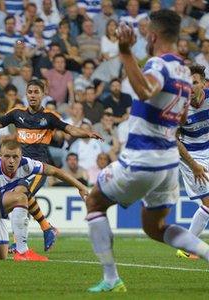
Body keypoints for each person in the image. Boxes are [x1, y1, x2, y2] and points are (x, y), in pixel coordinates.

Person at [85, 11, 209, 293]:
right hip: (168, 163)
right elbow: (181, 117)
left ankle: (111, 278)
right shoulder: (184, 73)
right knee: (155, 227)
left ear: (152, 36)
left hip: (143, 156)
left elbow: (144, 90)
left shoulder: (159, 65)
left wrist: (126, 52)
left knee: (94, 202)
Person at [0, 81, 102, 252]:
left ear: (43, 94)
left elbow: (70, 129)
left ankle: (23, 241)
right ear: (26, 94)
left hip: (38, 167)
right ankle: (47, 229)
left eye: (36, 92)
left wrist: (87, 133)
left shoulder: (49, 116)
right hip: (18, 166)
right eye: (30, 92)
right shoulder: (16, 113)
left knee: (20, 195)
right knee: (17, 198)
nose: (32, 95)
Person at [175, 64, 209, 259]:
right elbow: (173, 138)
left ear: (203, 83)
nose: (191, 86)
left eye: (195, 82)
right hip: (191, 155)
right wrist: (192, 164)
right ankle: (187, 246)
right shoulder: (180, 106)